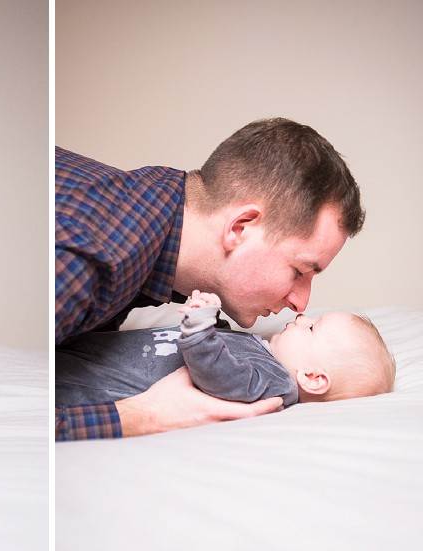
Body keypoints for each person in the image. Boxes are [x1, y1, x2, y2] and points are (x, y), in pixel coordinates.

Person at [55, 118, 366, 441]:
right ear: (240, 227)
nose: (301, 304)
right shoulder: (92, 255)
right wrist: (144, 416)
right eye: (299, 271)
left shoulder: (154, 211)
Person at [57, 291, 395, 408]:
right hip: (101, 351)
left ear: (312, 378)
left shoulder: (276, 385)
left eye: (313, 327)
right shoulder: (262, 355)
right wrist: (213, 317)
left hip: (99, 386)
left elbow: (221, 376)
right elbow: (227, 349)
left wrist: (199, 328)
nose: (303, 316)